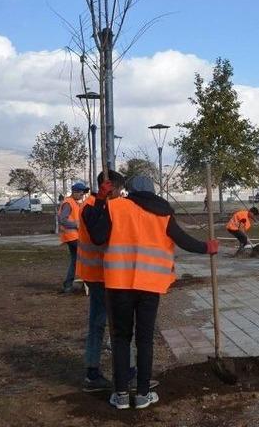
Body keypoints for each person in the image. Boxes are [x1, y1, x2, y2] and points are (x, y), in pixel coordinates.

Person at [86, 175, 219, 409]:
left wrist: (100, 199)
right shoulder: (163, 212)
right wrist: (207, 247)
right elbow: (183, 240)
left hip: (119, 285)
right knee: (145, 339)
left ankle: (121, 395)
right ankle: (143, 394)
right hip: (150, 285)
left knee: (121, 339)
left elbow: (97, 237)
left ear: (129, 189)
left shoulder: (115, 206)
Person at [77, 171, 126, 392]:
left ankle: (99, 372)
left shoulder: (107, 204)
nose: (120, 194)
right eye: (118, 190)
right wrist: (101, 201)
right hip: (99, 276)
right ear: (109, 187)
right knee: (108, 324)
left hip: (106, 274)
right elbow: (98, 236)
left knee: (103, 323)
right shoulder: (90, 206)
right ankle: (102, 373)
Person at [59, 181, 89, 293]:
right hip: (71, 236)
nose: (82, 195)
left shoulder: (74, 203)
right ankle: (87, 282)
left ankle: (68, 284)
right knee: (85, 257)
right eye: (81, 193)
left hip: (73, 236)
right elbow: (62, 220)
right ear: (75, 192)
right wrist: (76, 225)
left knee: (75, 260)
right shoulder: (68, 203)